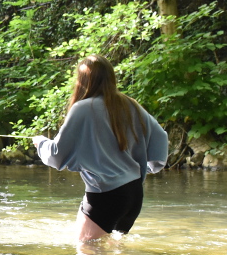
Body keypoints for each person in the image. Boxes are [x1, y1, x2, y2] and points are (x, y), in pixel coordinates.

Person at [32, 54, 168, 242]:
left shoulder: (82, 108)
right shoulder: (129, 104)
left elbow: (57, 155)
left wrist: (41, 143)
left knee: (86, 253)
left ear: (83, 81)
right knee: (113, 250)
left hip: (106, 195)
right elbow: (161, 137)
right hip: (134, 193)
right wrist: (150, 167)